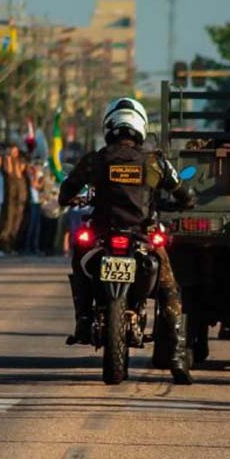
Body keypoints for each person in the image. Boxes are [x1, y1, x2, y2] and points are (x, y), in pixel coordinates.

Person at [58, 97, 196, 384]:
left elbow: (65, 191)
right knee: (169, 289)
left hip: (101, 238)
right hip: (142, 238)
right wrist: (183, 201)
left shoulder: (96, 160)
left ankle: (83, 319)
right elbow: (185, 194)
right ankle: (178, 357)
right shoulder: (155, 161)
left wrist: (72, 198)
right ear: (141, 127)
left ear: (110, 126)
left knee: (78, 260)